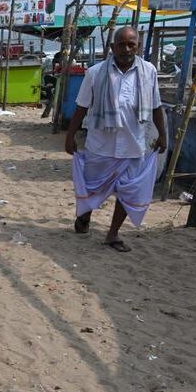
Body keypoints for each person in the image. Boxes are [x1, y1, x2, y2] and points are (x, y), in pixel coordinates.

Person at [64, 26, 167, 252]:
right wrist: (70, 136)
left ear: (138, 46)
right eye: (122, 44)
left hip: (134, 144)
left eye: (131, 44)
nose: (127, 49)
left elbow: (156, 106)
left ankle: (113, 234)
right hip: (101, 145)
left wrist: (163, 135)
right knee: (91, 187)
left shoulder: (149, 71)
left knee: (128, 191)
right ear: (113, 47)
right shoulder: (95, 73)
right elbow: (81, 107)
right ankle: (84, 216)